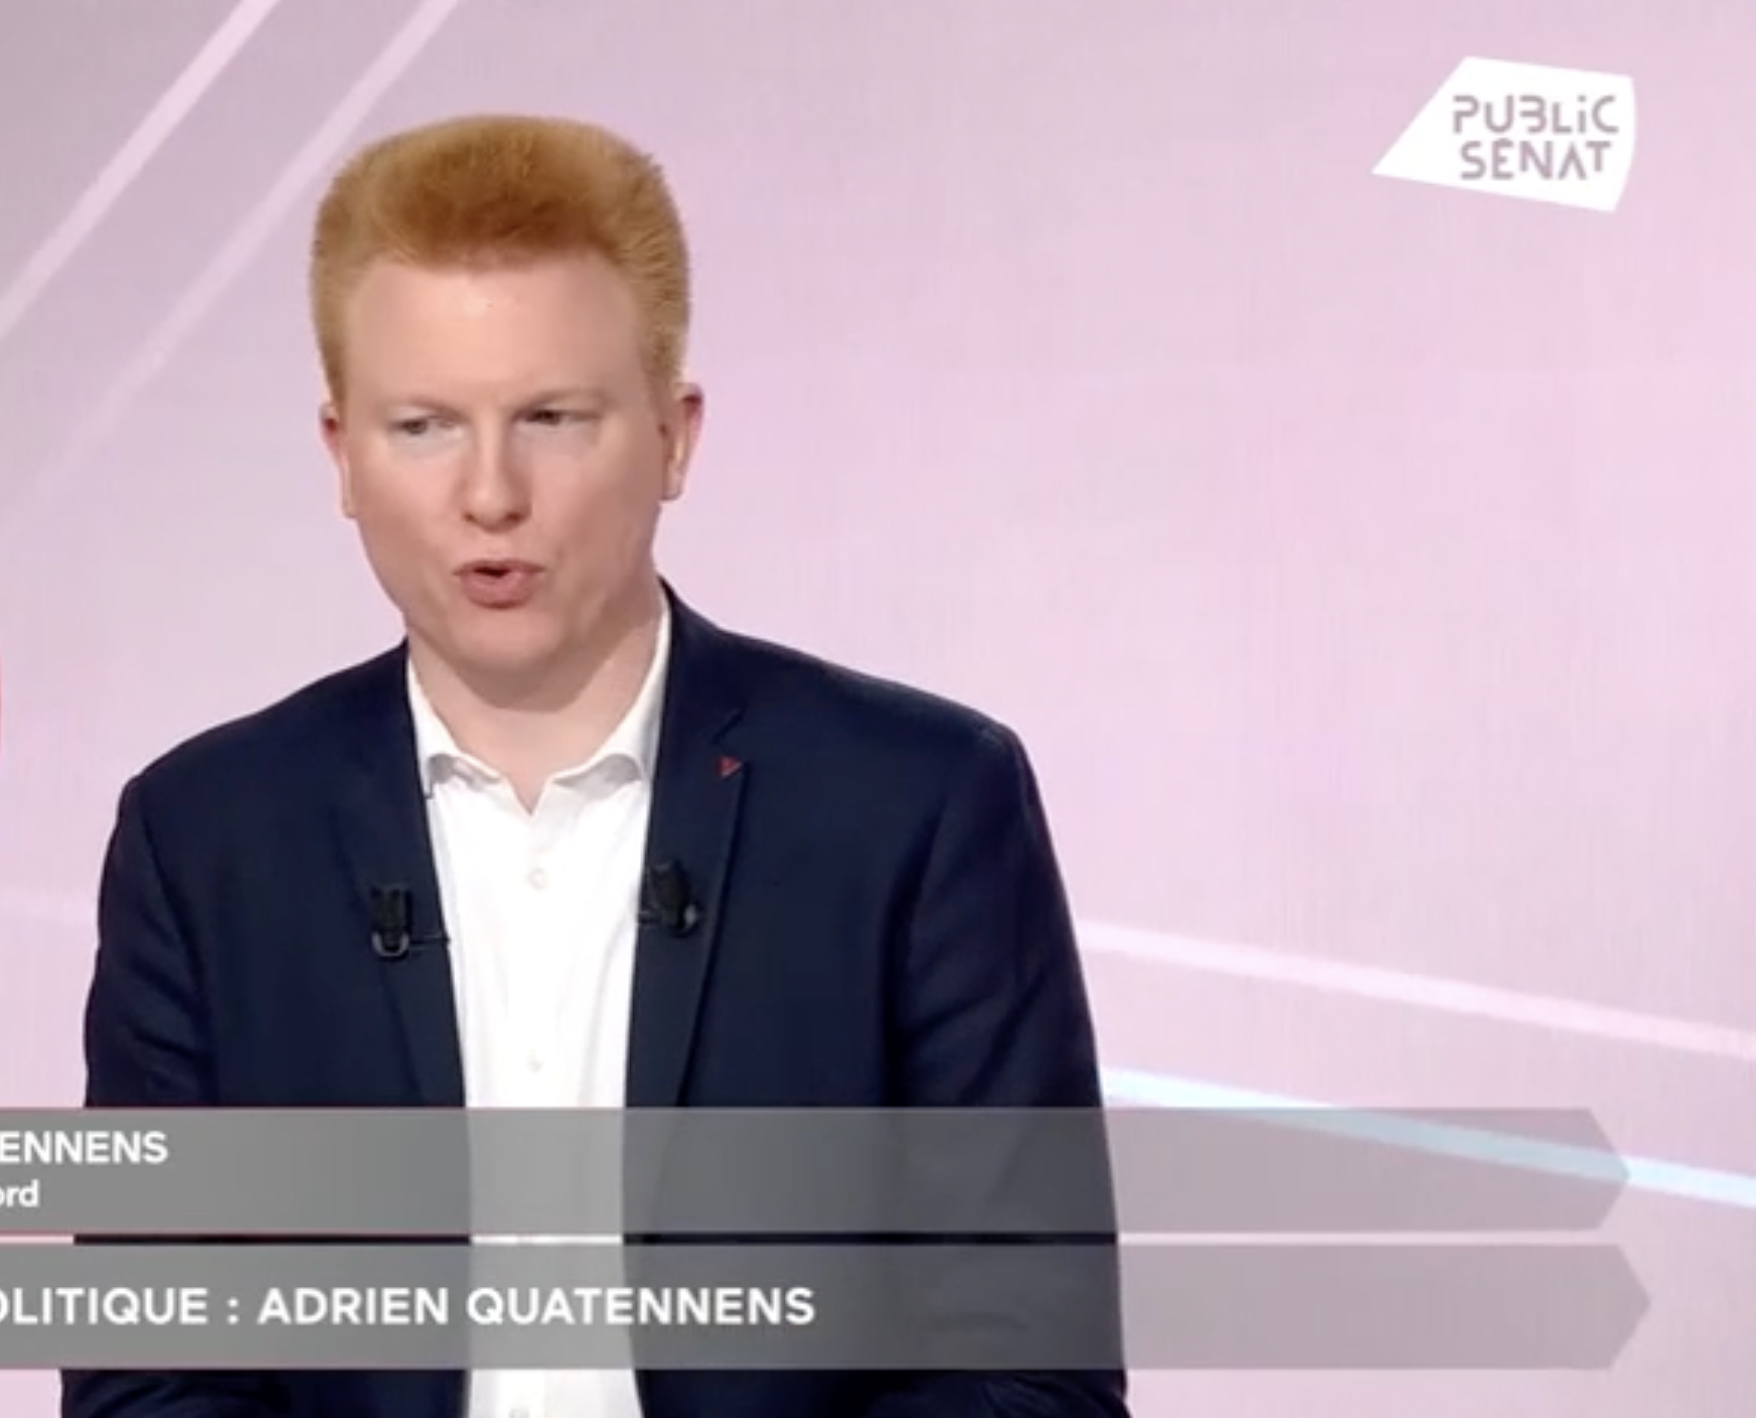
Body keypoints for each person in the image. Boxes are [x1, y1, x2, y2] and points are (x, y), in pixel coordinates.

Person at [65, 113, 1129, 1418]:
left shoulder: (919, 807)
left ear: (674, 435)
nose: (489, 493)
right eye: (423, 426)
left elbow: (1031, 1377)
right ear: (340, 454)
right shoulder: (206, 842)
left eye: (553, 418)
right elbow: (149, 1382)